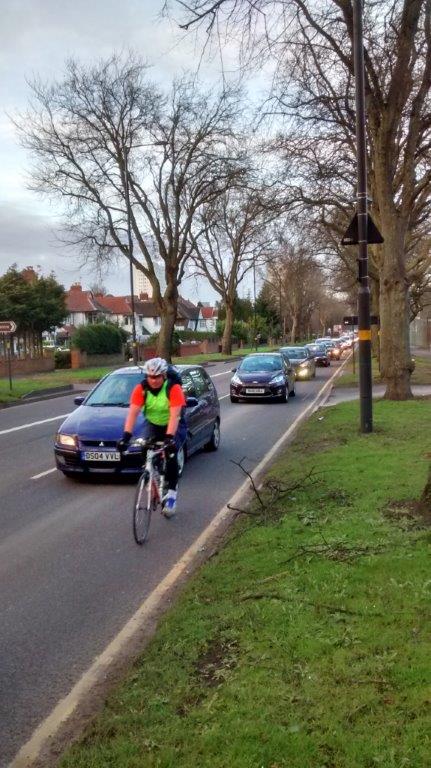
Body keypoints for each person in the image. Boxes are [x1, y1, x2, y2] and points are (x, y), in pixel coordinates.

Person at [117, 357, 186, 517]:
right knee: (144, 449)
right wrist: (126, 436)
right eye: (150, 377)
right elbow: (133, 414)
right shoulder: (141, 389)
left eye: (156, 377)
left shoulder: (173, 389)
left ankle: (171, 497)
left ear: (163, 376)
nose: (153, 380)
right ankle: (151, 483)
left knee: (171, 455)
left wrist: (169, 438)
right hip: (154, 424)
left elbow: (175, 416)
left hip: (174, 424)